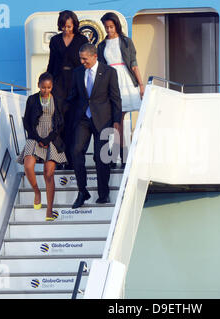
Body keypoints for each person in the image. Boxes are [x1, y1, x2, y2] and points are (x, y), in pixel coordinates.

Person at [66, 43, 122, 208]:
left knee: (100, 156)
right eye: (81, 59)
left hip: (103, 119)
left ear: (94, 56)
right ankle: (82, 191)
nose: (82, 62)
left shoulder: (109, 72)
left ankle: (103, 194)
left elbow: (115, 98)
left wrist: (117, 120)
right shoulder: (77, 73)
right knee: (75, 151)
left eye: (85, 59)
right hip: (83, 118)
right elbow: (73, 96)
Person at [17, 72, 67, 221]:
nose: (46, 90)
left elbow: (60, 123)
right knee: (28, 165)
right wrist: (38, 138)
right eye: (43, 87)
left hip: (52, 137)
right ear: (38, 85)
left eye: (49, 87)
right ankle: (37, 192)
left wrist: (49, 138)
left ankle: (49, 210)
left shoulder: (57, 100)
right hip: (34, 136)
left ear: (52, 87)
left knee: (49, 173)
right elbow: (26, 121)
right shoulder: (32, 99)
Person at [97, 12, 144, 168]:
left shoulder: (125, 42)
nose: (109, 30)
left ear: (116, 25)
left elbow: (134, 64)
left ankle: (122, 155)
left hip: (125, 80)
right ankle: (118, 153)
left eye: (111, 26)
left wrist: (141, 84)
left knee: (121, 118)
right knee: (114, 120)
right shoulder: (102, 45)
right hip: (109, 81)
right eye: (106, 27)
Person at [47, 10, 89, 168]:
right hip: (59, 84)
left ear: (75, 25)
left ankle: (73, 160)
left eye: (69, 26)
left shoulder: (82, 40)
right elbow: (51, 63)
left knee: (75, 122)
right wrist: (48, 83)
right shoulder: (55, 41)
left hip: (76, 84)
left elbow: (85, 65)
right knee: (58, 122)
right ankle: (59, 158)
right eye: (64, 26)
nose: (66, 29)